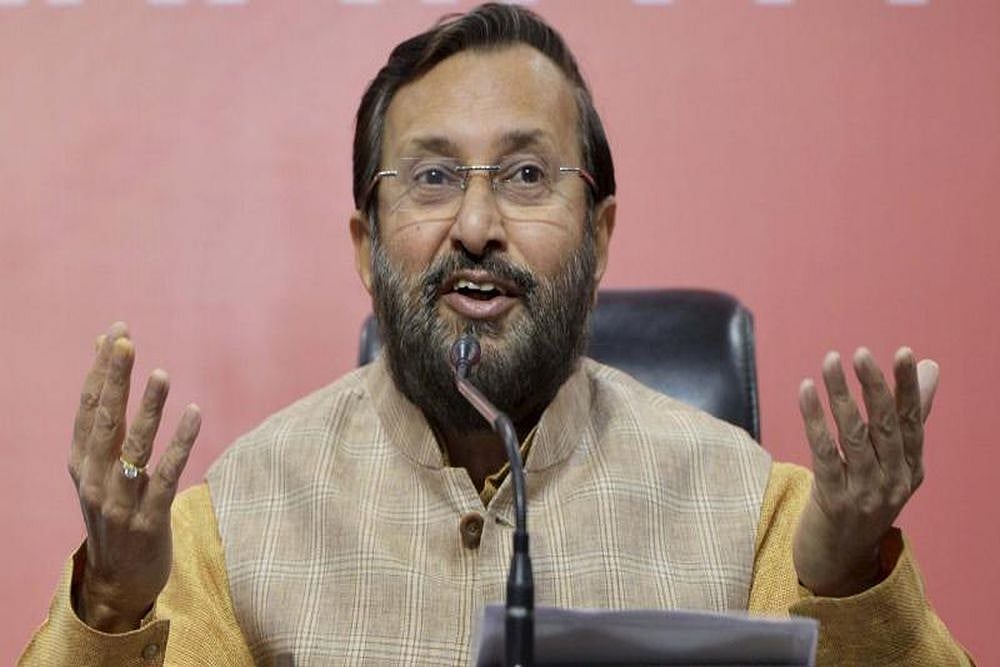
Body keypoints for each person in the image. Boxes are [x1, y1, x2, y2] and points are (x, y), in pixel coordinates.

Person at [21, 4, 971, 665]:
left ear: (599, 236)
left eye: (525, 176)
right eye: (433, 178)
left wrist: (845, 578)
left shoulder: (753, 513)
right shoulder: (235, 524)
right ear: (365, 248)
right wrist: (112, 603)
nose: (476, 225)